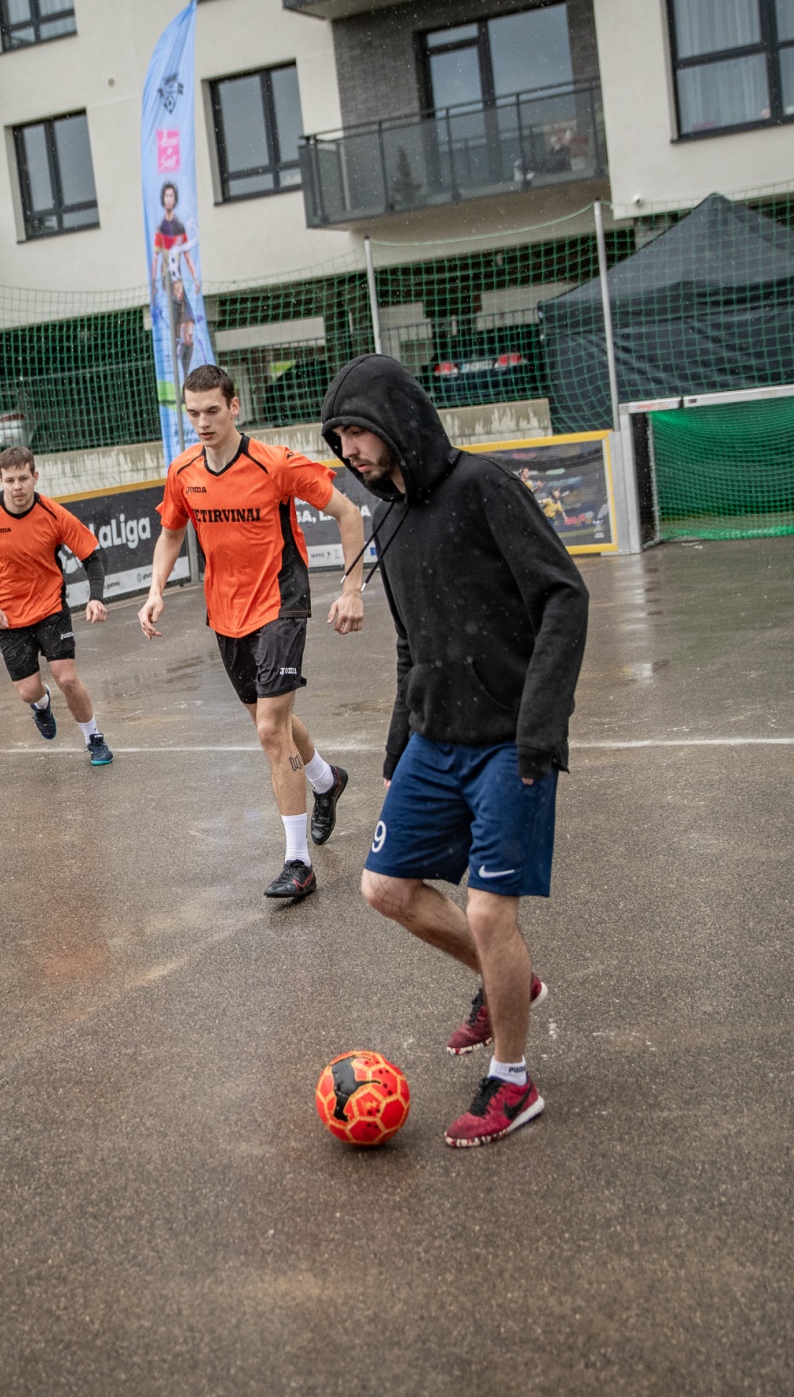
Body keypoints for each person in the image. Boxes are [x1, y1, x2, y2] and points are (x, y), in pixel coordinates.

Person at [323, 355, 588, 1150]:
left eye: (358, 432)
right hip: (434, 740)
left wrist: (541, 726)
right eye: (339, 438)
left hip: (510, 741)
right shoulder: (388, 516)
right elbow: (412, 644)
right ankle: (506, 982)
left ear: (399, 421)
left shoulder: (484, 488)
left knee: (488, 908)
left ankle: (513, 1081)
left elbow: (564, 596)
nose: (349, 451)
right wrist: (396, 747)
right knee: (384, 889)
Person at [138, 364, 367, 901]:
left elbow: (348, 512)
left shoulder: (275, 464)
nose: (202, 422)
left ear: (234, 407)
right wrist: (155, 590)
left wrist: (353, 588)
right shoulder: (183, 470)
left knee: (269, 728)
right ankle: (326, 780)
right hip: (226, 611)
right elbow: (171, 533)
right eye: (193, 413)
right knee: (272, 720)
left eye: (212, 411)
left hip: (281, 601)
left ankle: (298, 863)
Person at [0, 445, 115, 766]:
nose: (17, 487)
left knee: (67, 679)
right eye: (10, 480)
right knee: (28, 692)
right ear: (0, 480)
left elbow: (91, 556)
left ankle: (94, 738)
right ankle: (41, 706)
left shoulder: (53, 514)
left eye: (23, 479)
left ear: (35, 477)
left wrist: (96, 596)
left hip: (51, 610)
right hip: (9, 619)